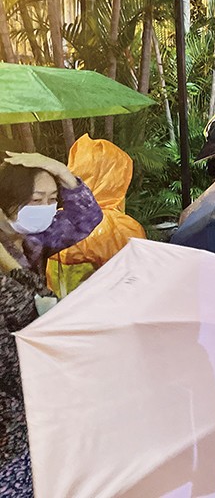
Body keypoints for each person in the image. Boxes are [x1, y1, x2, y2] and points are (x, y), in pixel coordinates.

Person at [0, 152, 103, 494]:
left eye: (52, 199)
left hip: (35, 372)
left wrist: (57, 169)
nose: (46, 208)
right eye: (35, 200)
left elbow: (87, 217)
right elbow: (30, 303)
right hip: (16, 381)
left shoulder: (37, 238)